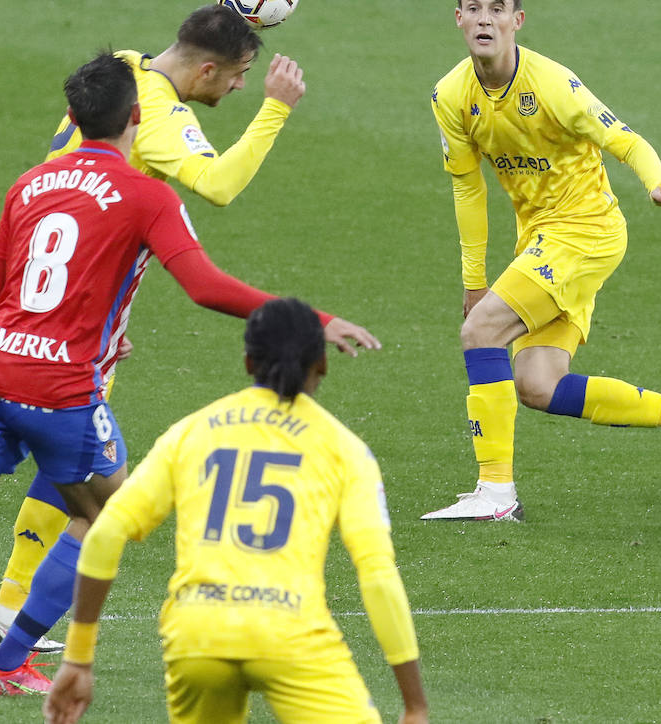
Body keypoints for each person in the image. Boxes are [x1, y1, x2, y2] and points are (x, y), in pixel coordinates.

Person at [0, 52, 379, 701]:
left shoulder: (30, 184)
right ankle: (8, 660)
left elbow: (1, 289)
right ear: (136, 117)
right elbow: (203, 287)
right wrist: (315, 317)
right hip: (58, 387)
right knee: (112, 513)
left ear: (76, 119)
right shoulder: (147, 194)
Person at [0, 4, 312, 657]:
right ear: (210, 68)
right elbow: (216, 184)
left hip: (8, 258)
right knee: (71, 452)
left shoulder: (121, 67)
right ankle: (12, 612)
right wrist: (275, 110)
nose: (235, 88)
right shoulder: (156, 118)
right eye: (234, 75)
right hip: (73, 294)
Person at [422, 0, 661, 522]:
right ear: (458, 19)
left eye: (497, 9)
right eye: (474, 8)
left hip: (586, 233)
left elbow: (624, 139)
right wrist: (473, 279)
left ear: (517, 20)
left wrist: (657, 183)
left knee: (480, 332)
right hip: (541, 242)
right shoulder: (451, 95)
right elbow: (467, 188)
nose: (484, 19)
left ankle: (495, 494)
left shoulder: (552, 86)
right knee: (537, 386)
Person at [42, 298, 429, 724]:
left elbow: (104, 535)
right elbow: (377, 574)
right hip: (291, 635)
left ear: (247, 362)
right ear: (322, 363)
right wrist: (414, 704)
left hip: (197, 634)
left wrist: (78, 659)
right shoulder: (347, 451)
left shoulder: (190, 432)